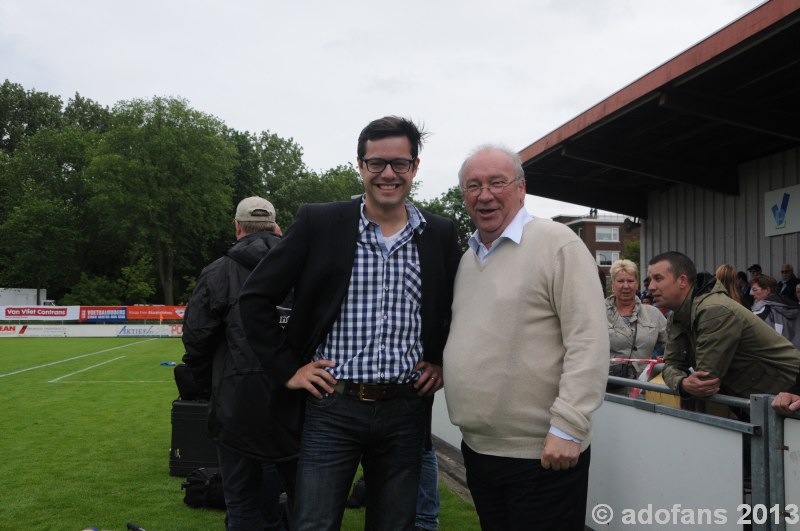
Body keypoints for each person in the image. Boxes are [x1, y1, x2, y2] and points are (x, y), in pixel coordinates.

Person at [238, 116, 461, 531]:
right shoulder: (319, 223)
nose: (388, 174)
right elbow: (254, 298)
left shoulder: (439, 233)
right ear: (360, 165)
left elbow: (455, 308)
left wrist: (439, 359)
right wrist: (288, 369)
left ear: (415, 167)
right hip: (332, 406)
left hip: (406, 408)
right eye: (376, 163)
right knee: (315, 525)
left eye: (399, 163)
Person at [443, 145, 609, 531]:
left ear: (521, 188)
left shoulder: (557, 244)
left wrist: (570, 425)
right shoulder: (468, 259)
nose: (485, 195)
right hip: (479, 449)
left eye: (496, 182)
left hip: (544, 454)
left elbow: (588, 340)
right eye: (473, 185)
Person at [181, 196, 295, 531]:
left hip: (236, 404)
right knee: (301, 503)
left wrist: (209, 388)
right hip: (296, 404)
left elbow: (196, 339)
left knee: (243, 502)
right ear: (277, 228)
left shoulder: (217, 272)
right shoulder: (302, 267)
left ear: (237, 227)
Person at [647, 251, 800, 400]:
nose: (650, 287)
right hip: (766, 402)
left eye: (658, 278)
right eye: (650, 279)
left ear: (682, 281)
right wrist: (682, 383)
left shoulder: (714, 310)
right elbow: (672, 365)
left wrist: (684, 381)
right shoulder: (677, 315)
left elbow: (706, 380)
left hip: (791, 395)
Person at [606, 259, 668, 379]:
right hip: (607, 389)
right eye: (620, 281)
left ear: (637, 283)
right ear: (612, 284)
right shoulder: (597, 312)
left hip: (643, 389)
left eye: (630, 281)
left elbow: (672, 346)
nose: (626, 286)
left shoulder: (653, 314)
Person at [751, 274, 800, 348]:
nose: (751, 293)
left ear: (767, 290)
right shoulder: (793, 307)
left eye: (755, 290)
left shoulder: (761, 309)